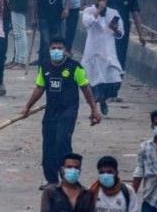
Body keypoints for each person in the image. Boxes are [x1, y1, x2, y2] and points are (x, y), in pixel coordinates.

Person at [22, 37, 100, 184]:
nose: (56, 51)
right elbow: (40, 88)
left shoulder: (74, 67)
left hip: (68, 111)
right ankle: (51, 181)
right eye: (53, 48)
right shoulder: (44, 66)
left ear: (65, 51)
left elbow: (85, 88)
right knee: (48, 145)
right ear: (49, 50)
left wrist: (94, 109)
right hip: (51, 111)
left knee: (62, 142)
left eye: (59, 48)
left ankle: (68, 179)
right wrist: (27, 107)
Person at [81, 0, 124, 116]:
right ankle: (94, 107)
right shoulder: (88, 11)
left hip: (108, 51)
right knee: (93, 81)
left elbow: (121, 33)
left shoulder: (113, 12)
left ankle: (103, 100)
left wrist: (115, 29)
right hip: (93, 50)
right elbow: (87, 23)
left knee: (114, 80)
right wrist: (98, 11)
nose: (101, 1)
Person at [106, 0, 145, 75]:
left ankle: (119, 77)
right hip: (108, 31)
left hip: (122, 32)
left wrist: (140, 35)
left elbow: (136, 16)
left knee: (121, 54)